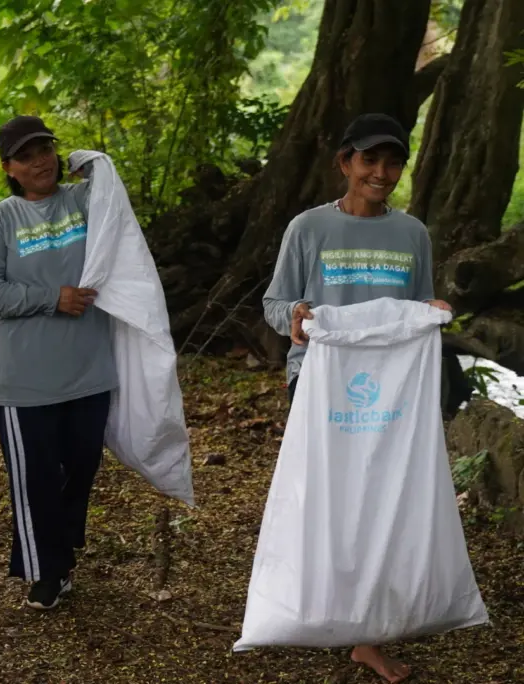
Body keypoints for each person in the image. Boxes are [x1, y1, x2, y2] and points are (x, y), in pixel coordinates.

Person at [262, 112, 452, 683]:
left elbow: (417, 309)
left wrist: (435, 311)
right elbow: (275, 303)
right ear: (345, 163)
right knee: (329, 499)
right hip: (320, 382)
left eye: (392, 162)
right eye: (369, 160)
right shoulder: (309, 228)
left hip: (393, 392)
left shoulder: (411, 233)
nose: (381, 172)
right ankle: (320, 605)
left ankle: (366, 631)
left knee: (381, 502)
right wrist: (294, 316)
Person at [0, 116, 116, 610]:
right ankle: (46, 571)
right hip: (25, 380)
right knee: (35, 479)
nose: (40, 162)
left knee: (81, 467)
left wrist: (88, 163)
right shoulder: (2, 218)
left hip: (88, 369)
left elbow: (116, 206)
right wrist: (52, 298)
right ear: (8, 167)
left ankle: (61, 550)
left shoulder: (81, 202)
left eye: (46, 150)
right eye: (26, 156)